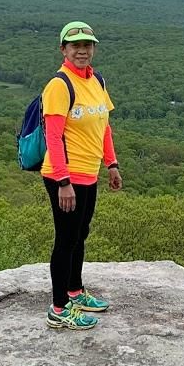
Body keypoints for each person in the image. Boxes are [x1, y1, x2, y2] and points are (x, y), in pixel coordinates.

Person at [40, 20, 122, 329]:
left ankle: (74, 291)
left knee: (80, 234)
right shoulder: (59, 85)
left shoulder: (97, 81)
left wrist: (111, 164)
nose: (82, 50)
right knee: (66, 239)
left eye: (87, 45)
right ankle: (59, 308)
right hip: (64, 176)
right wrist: (63, 181)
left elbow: (104, 126)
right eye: (75, 46)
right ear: (63, 49)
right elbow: (53, 137)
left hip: (89, 173)